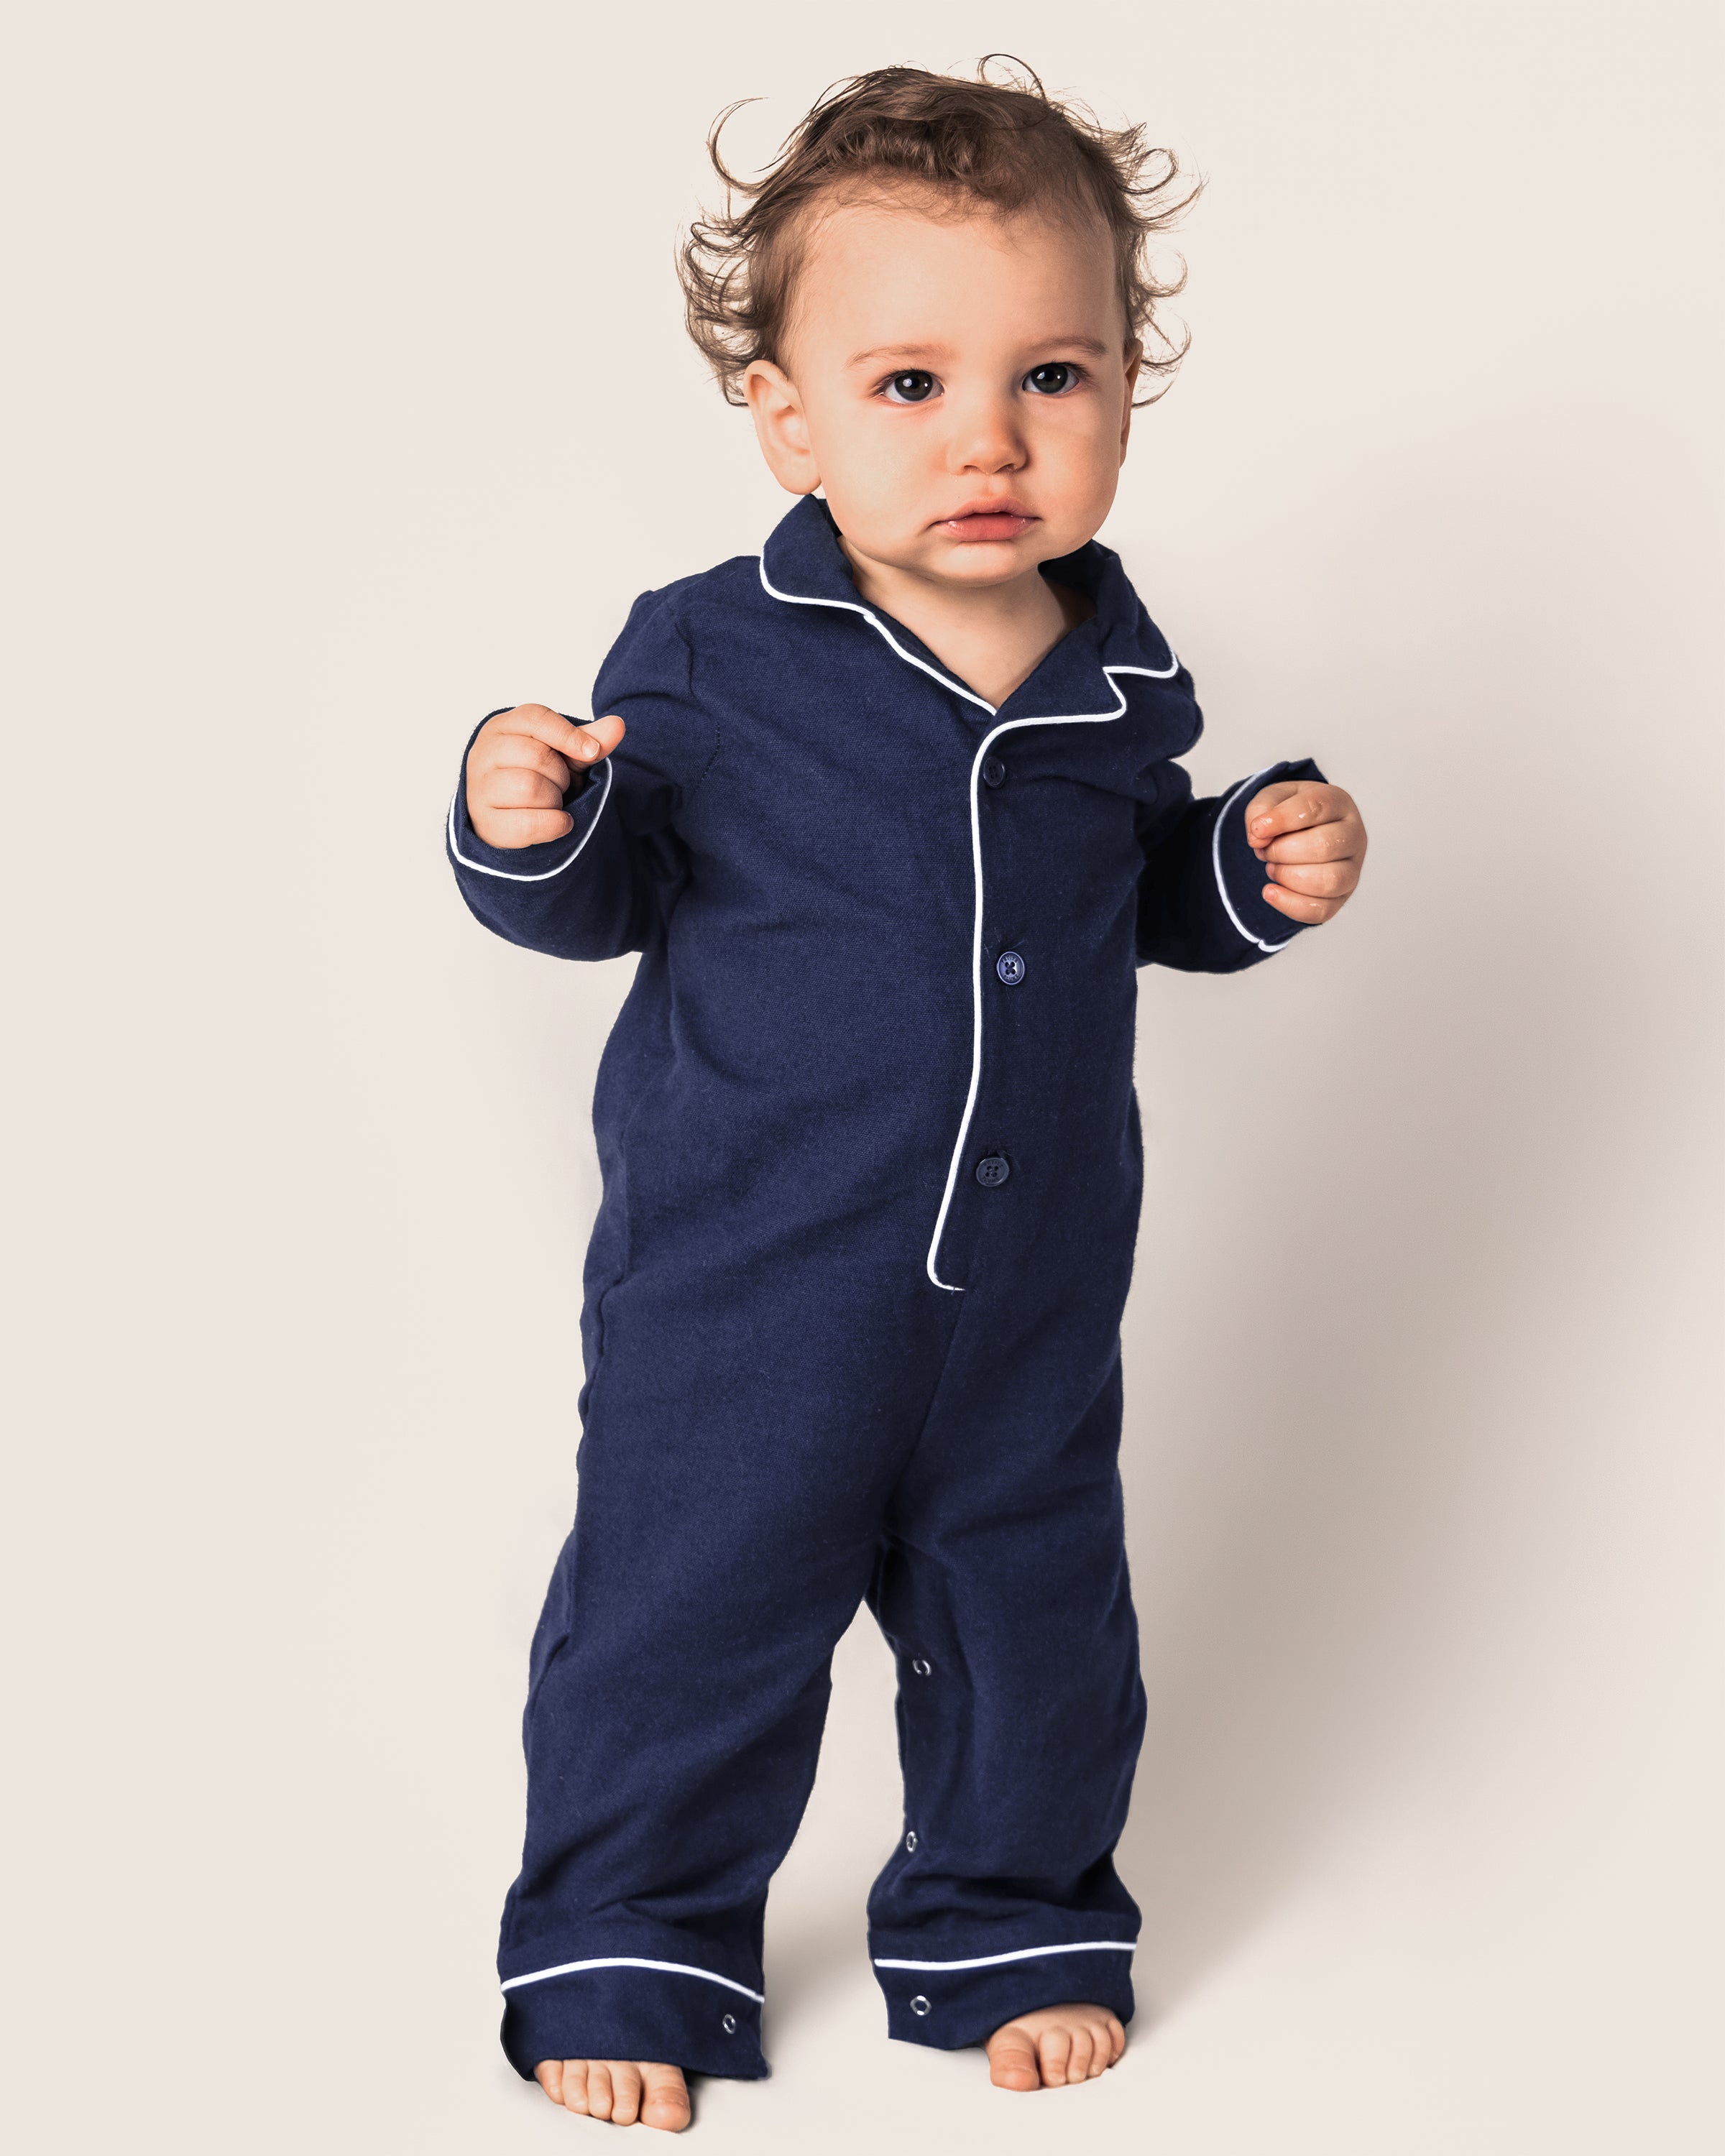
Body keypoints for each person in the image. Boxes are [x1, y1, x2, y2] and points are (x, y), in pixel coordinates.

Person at [447, 59, 1367, 2132]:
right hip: (752, 1286)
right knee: (691, 1615)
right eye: (908, 385)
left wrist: (1240, 866)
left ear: (1128, 386)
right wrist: (523, 827)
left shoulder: (1118, 681)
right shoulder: (711, 654)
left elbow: (1134, 892)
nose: (988, 440)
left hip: (1027, 1289)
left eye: (1052, 375)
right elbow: (603, 891)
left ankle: (1008, 1916)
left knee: (1036, 1621)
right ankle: (631, 1935)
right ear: (785, 416)